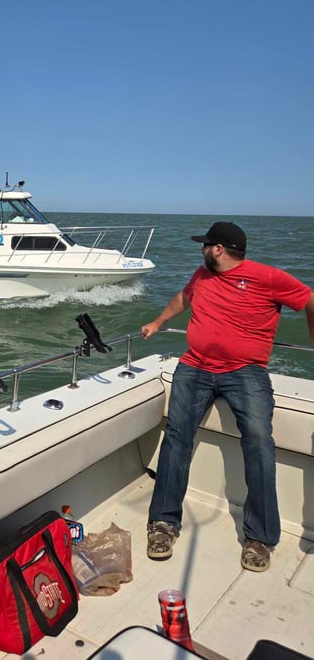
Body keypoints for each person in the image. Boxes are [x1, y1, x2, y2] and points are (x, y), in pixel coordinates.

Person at [142, 221, 314, 573]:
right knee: (177, 436)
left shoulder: (267, 277)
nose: (201, 250)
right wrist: (158, 323)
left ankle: (260, 537)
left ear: (218, 249)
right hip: (195, 367)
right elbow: (183, 298)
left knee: (258, 441)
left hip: (245, 372)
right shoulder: (201, 275)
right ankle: (163, 524)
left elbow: (309, 298)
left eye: (205, 245)